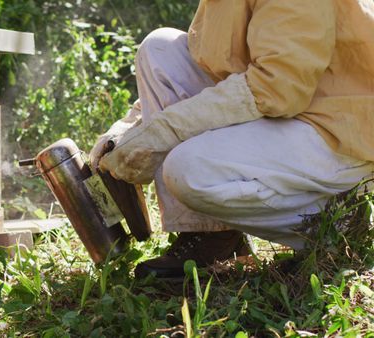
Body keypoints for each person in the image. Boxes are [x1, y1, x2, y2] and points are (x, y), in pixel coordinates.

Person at [89, 0, 374, 278]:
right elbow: (220, 64)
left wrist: (165, 130)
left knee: (189, 170)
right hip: (294, 108)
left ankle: (340, 225)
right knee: (159, 47)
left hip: (340, 129)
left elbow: (278, 87)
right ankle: (213, 237)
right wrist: (132, 128)